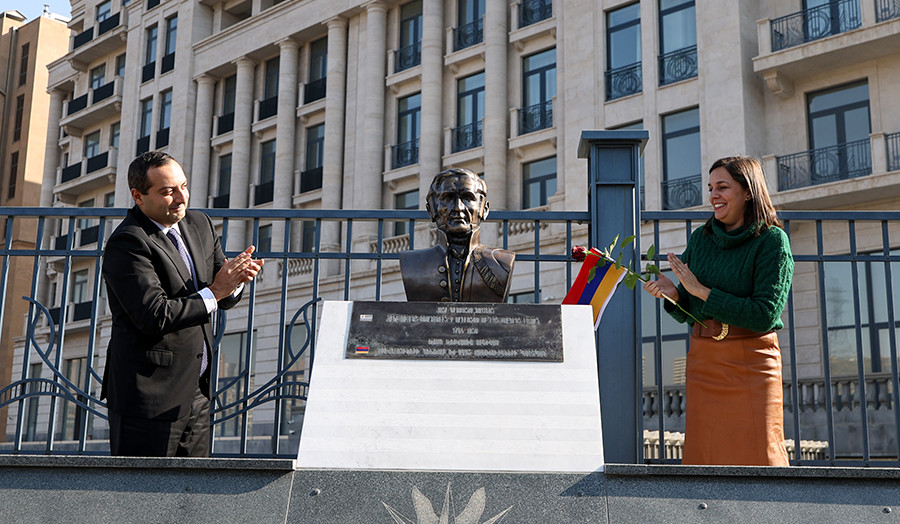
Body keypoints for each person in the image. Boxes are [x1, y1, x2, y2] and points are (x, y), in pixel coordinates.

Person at [101, 151, 264, 457]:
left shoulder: (200, 224)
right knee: (140, 499)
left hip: (197, 394)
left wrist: (236, 280)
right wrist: (217, 291)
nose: (181, 198)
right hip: (148, 398)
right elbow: (155, 316)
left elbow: (220, 295)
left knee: (192, 499)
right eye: (167, 191)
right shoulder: (128, 242)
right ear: (139, 196)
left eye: (184, 186)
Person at [643, 156, 793, 466]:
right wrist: (676, 296)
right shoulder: (701, 239)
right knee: (705, 461)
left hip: (754, 362)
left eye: (722, 187)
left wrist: (701, 291)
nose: (713, 196)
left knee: (762, 457)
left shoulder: (772, 241)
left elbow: (765, 314)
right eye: (711, 188)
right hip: (705, 361)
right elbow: (691, 310)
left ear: (748, 191)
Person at [399, 167, 515, 302]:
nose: (458, 208)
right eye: (447, 198)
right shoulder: (412, 264)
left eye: (467, 198)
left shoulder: (502, 262)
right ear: (431, 209)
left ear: (484, 209)